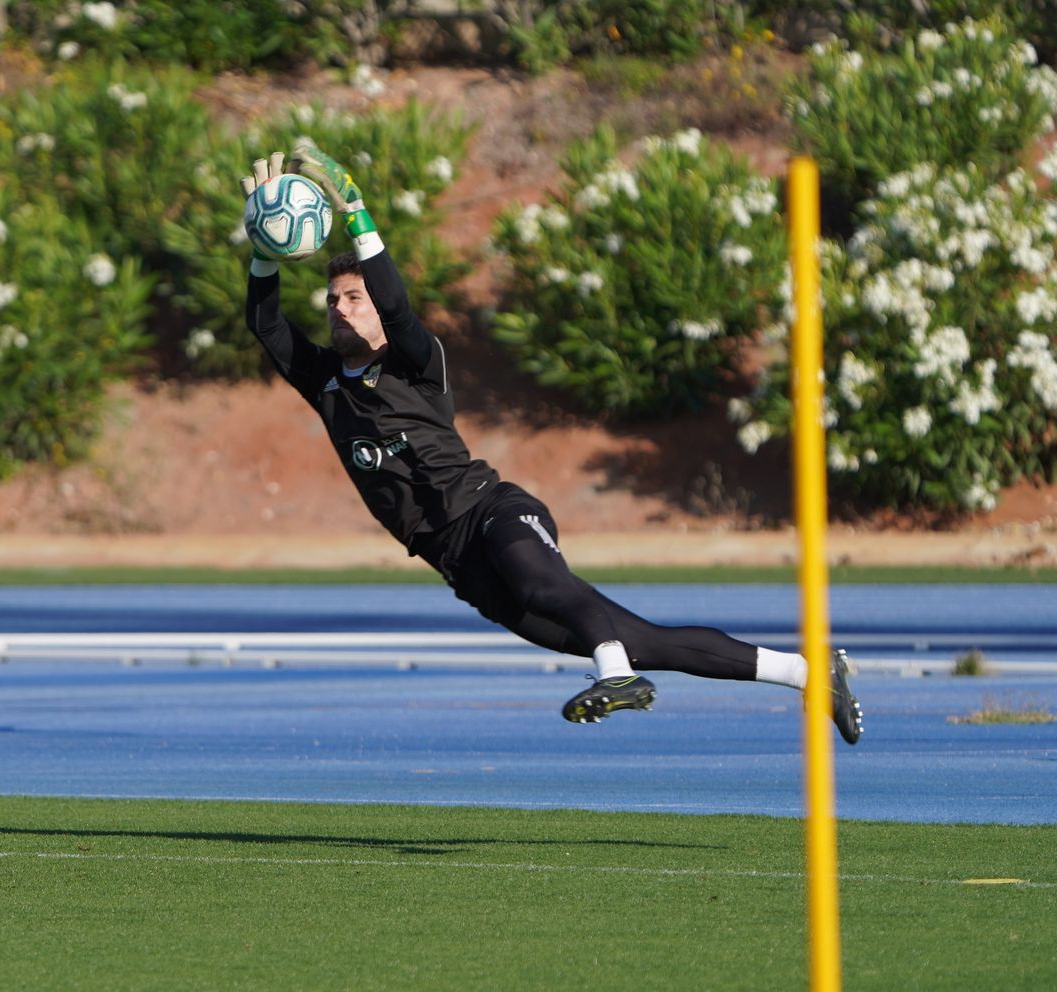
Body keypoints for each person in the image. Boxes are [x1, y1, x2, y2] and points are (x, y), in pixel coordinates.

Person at [240, 146, 864, 741]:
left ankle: (616, 675)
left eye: (354, 297)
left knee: (548, 590)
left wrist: (353, 208)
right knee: (647, 638)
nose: (340, 308)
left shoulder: (415, 363)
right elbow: (266, 325)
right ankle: (807, 674)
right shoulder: (325, 383)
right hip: (459, 564)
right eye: (332, 300)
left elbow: (399, 306)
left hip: (494, 513)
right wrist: (263, 244)